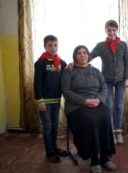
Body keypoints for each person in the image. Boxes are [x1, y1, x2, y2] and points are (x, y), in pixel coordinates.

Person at [61, 45, 117, 173]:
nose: (82, 55)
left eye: (85, 52)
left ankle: (104, 157)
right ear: (75, 56)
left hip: (96, 102)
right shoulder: (68, 71)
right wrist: (84, 101)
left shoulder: (95, 70)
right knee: (90, 120)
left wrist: (99, 100)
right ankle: (94, 160)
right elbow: (66, 91)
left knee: (106, 115)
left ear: (89, 55)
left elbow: (104, 87)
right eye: (79, 53)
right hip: (76, 106)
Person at [89, 19, 128, 145]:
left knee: (119, 106)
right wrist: (80, 62)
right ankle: (110, 133)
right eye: (109, 30)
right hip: (106, 81)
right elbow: (89, 56)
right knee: (109, 106)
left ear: (117, 30)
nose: (111, 32)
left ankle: (119, 132)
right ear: (105, 31)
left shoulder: (123, 45)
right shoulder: (101, 46)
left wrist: (127, 78)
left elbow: (127, 63)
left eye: (114, 30)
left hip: (121, 81)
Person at [34, 35, 68, 163]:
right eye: (50, 45)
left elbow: (70, 69)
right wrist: (40, 100)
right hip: (45, 101)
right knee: (47, 126)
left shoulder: (60, 62)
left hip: (56, 99)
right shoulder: (40, 63)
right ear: (45, 46)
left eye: (55, 45)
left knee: (54, 126)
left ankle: (54, 147)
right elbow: (37, 83)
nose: (53, 48)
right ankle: (49, 152)